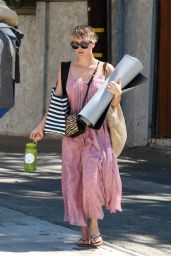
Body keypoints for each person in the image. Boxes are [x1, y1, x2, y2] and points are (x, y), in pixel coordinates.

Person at [30, 25, 122, 247]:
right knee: (76, 182)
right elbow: (56, 103)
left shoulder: (106, 69)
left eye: (83, 44)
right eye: (75, 44)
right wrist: (40, 126)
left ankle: (94, 227)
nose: (79, 48)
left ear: (93, 43)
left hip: (98, 135)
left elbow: (114, 107)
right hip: (72, 135)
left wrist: (117, 96)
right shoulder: (64, 69)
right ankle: (84, 232)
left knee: (92, 180)